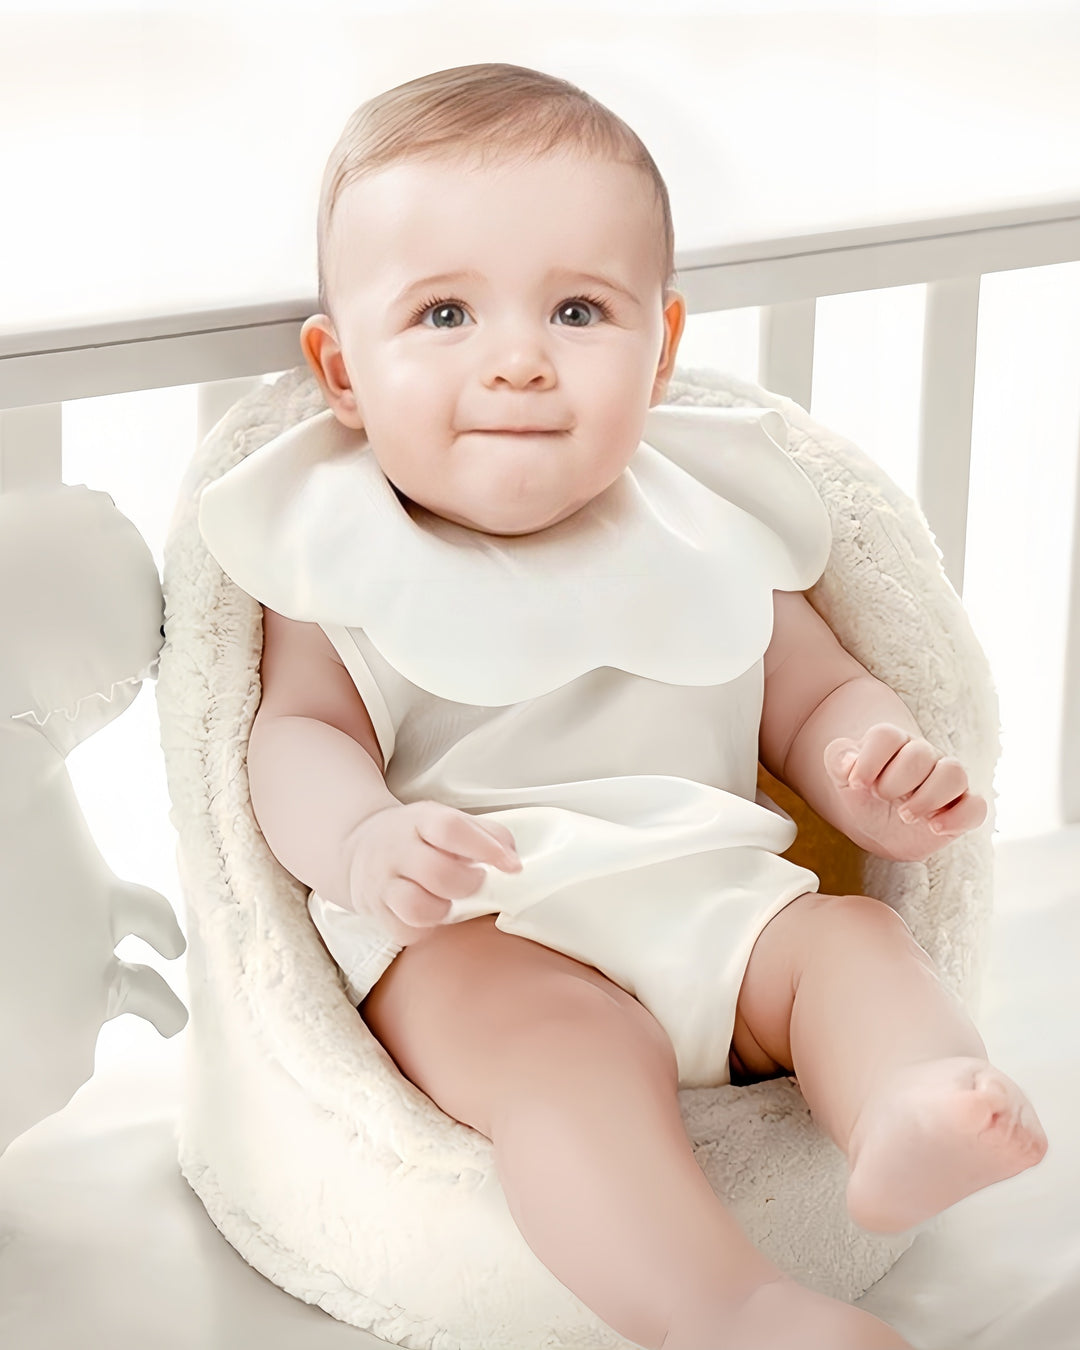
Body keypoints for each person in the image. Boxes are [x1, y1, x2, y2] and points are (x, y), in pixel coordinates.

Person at [198, 63, 1047, 1350]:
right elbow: (293, 740)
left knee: (859, 951)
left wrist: (869, 763)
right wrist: (366, 840)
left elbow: (814, 691)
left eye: (581, 309)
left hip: (715, 899)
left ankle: (911, 1108)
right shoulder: (334, 550)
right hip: (483, 930)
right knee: (565, 1064)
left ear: (663, 347)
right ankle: (729, 1307)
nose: (521, 363)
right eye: (443, 315)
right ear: (341, 371)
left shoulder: (709, 513)